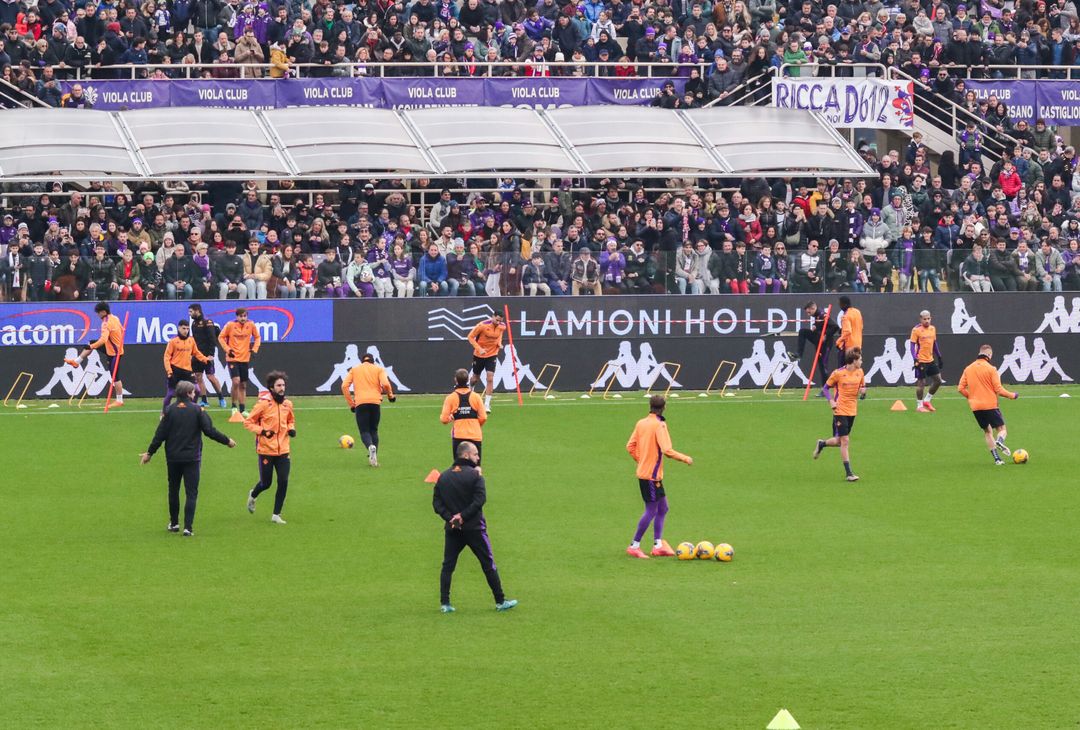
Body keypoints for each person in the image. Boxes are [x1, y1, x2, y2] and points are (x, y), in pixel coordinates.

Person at [140, 381, 237, 536]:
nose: (194, 395)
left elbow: (160, 435)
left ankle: (174, 523)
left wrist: (149, 453)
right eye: (193, 392)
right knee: (191, 492)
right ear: (188, 394)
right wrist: (227, 441)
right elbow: (209, 431)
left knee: (173, 490)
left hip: (173, 458)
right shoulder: (198, 410)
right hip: (192, 458)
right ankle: (188, 527)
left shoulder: (169, 410)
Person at [432, 441, 517, 614]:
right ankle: (500, 601)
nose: (478, 458)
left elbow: (436, 503)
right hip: (475, 528)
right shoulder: (475, 476)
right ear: (465, 455)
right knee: (488, 564)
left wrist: (452, 519)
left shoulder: (444, 477)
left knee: (448, 565)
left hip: (452, 529)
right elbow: (479, 500)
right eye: (475, 454)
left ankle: (445, 603)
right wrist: (463, 517)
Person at [625, 395, 694, 559]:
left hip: (647, 474)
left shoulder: (641, 423)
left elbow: (630, 446)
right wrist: (686, 458)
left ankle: (658, 545)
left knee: (663, 508)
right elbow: (667, 450)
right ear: (664, 407)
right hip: (651, 477)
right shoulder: (660, 425)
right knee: (651, 510)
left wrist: (641, 460)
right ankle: (634, 545)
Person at [244, 371, 296, 524]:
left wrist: (291, 428)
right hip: (266, 450)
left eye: (283, 385)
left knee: (283, 481)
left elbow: (291, 420)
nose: (282, 388)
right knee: (266, 483)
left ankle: (276, 514)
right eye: (279, 385)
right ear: (272, 388)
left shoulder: (288, 404)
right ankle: (253, 494)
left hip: (284, 450)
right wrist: (262, 431)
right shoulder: (263, 404)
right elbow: (248, 422)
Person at [958, 344, 1019, 466]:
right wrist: (1013, 395)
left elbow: (960, 388)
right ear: (989, 355)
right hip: (990, 405)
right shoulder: (991, 369)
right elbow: (999, 390)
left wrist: (971, 397)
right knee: (1002, 429)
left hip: (976, 407)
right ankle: (1000, 441)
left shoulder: (968, 368)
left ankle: (997, 459)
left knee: (987, 431)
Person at [813, 348, 866, 482]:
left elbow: (862, 392)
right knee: (845, 441)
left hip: (852, 410)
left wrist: (863, 394)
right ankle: (849, 473)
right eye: (860, 359)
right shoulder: (838, 373)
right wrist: (831, 401)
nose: (862, 361)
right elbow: (825, 388)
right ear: (853, 361)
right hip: (840, 410)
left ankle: (822, 444)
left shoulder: (860, 373)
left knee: (839, 442)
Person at [341, 352, 395, 467]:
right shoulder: (378, 369)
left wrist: (351, 404)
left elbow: (344, 386)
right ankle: (374, 458)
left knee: (364, 431)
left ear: (362, 361)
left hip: (360, 403)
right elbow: (385, 383)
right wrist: (390, 395)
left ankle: (370, 447)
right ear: (373, 361)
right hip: (375, 402)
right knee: (374, 430)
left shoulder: (355, 370)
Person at [69, 302, 125, 408]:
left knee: (115, 377)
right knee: (91, 343)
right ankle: (77, 361)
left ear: (103, 312)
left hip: (114, 352)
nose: (97, 315)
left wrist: (92, 347)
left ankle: (119, 400)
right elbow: (122, 330)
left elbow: (103, 339)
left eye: (98, 313)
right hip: (113, 348)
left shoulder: (106, 323)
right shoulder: (115, 318)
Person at [218, 307, 261, 420]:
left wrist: (255, 349)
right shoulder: (230, 325)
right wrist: (228, 350)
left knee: (243, 384)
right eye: (241, 316)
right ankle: (233, 407)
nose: (243, 318)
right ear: (237, 317)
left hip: (245, 358)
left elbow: (257, 337)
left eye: (245, 316)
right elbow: (221, 337)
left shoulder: (251, 325)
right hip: (232, 358)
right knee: (236, 381)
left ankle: (242, 409)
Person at [162, 319, 210, 414]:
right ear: (179, 328)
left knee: (196, 390)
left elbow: (196, 352)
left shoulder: (191, 340)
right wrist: (169, 371)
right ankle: (164, 413)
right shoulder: (173, 341)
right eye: (184, 328)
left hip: (188, 371)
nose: (186, 331)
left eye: (187, 329)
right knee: (171, 394)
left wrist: (205, 359)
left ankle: (191, 410)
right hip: (175, 370)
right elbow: (166, 357)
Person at [791, 300, 838, 396]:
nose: (808, 314)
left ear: (813, 308)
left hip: (825, 344)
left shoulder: (823, 315)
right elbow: (819, 325)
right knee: (803, 332)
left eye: (809, 312)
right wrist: (814, 326)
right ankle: (799, 354)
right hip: (818, 339)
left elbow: (835, 327)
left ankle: (825, 390)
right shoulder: (817, 316)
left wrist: (826, 335)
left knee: (823, 366)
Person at [440, 368, 487, 463]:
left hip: (459, 436)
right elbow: (483, 417)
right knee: (476, 468)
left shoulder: (450, 398)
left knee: (459, 468)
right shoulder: (476, 397)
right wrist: (476, 425)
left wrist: (451, 417)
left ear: (455, 380)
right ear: (468, 380)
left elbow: (444, 419)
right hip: (475, 435)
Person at [188, 304, 227, 408]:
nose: (190, 314)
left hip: (207, 355)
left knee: (210, 377)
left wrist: (211, 354)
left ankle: (221, 398)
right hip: (197, 355)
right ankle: (204, 400)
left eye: (191, 312)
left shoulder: (207, 322)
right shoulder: (194, 324)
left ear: (197, 311)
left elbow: (212, 339)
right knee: (199, 377)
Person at [466, 311, 505, 411]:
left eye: (500, 321)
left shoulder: (502, 326)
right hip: (479, 355)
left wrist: (499, 343)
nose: (498, 323)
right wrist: (479, 349)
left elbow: (500, 334)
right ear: (492, 317)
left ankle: (487, 404)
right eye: (496, 320)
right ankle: (470, 389)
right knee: (475, 378)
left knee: (490, 378)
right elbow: (470, 337)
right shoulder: (482, 325)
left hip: (492, 355)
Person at [910, 309, 943, 412]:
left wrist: (939, 357)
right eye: (925, 319)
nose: (927, 321)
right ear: (920, 319)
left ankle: (927, 400)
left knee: (938, 380)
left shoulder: (933, 329)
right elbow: (912, 346)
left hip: (930, 360)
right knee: (921, 383)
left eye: (928, 318)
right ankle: (919, 406)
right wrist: (915, 359)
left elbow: (934, 344)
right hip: (921, 360)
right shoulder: (916, 330)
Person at [834, 295, 863, 372]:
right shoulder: (857, 312)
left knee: (843, 368)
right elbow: (860, 327)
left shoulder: (845, 316)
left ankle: (842, 384)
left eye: (840, 304)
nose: (840, 306)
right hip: (858, 344)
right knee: (856, 367)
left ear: (844, 305)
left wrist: (838, 341)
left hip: (849, 346)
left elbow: (847, 331)